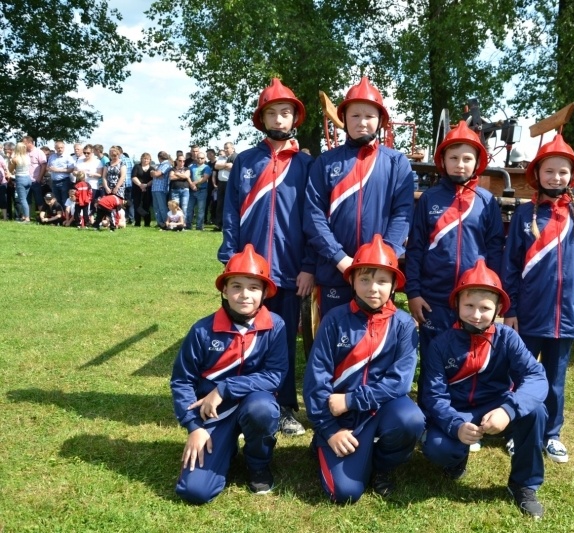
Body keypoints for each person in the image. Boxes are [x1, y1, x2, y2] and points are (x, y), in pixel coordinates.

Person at [219, 78, 315, 437]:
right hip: (248, 271)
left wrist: (309, 266)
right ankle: (242, 400)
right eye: (272, 113)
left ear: (295, 118)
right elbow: (231, 214)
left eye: (285, 113)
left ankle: (285, 406)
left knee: (283, 339)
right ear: (262, 118)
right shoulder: (245, 160)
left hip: (290, 270)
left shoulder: (306, 165)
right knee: (244, 336)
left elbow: (314, 220)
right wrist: (230, 258)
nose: (278, 119)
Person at [419, 259, 548, 519]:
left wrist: (508, 410)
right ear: (457, 304)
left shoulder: (507, 338)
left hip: (496, 408)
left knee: (536, 412)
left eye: (485, 308)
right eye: (469, 306)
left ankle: (524, 485)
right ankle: (457, 459)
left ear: (498, 309)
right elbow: (433, 396)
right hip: (458, 411)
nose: (476, 315)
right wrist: (456, 425)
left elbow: (536, 376)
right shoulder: (440, 344)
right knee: (437, 449)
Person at [502, 134, 574, 465]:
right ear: (537, 174)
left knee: (556, 380)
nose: (556, 177)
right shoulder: (523, 215)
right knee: (521, 376)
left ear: (572, 176)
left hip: (567, 315)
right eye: (549, 171)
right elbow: (510, 265)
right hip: (528, 314)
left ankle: (552, 434)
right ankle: (518, 430)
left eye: (562, 172)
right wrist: (511, 308)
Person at [303, 235, 424, 504]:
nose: (373, 288)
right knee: (345, 493)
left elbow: (400, 383)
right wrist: (329, 429)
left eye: (382, 281)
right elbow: (316, 379)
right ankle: (324, 442)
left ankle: (382, 468)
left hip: (378, 409)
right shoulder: (334, 319)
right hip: (339, 416)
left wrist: (351, 400)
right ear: (352, 281)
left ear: (394, 285)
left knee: (412, 420)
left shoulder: (404, 324)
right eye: (365, 279)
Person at [171, 244, 288, 504]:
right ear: (224, 289)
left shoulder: (276, 326)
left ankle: (258, 463)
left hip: (254, 403)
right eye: (236, 286)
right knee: (195, 492)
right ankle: (226, 445)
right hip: (213, 413)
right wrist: (194, 426)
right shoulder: (202, 330)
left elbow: (275, 376)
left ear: (265, 292)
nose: (245, 295)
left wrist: (225, 388)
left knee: (263, 410)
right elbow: (182, 380)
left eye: (254, 287)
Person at [304, 76, 415, 316]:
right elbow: (314, 215)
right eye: (355, 115)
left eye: (369, 116)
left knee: (377, 333)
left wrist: (383, 258)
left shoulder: (397, 163)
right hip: (334, 270)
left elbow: (403, 214)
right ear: (343, 118)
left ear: (381, 120)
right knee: (335, 332)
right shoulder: (325, 162)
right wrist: (339, 257)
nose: (362, 122)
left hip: (379, 274)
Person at [405, 121, 504, 367]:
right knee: (432, 361)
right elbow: (415, 248)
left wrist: (493, 295)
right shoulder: (429, 198)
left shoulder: (487, 201)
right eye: (454, 158)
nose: (460, 164)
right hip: (433, 299)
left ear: (477, 162)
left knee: (467, 360)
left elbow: (495, 250)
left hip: (474, 300)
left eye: (467, 158)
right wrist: (414, 293)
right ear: (443, 160)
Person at [213, 142, 236, 231]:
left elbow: (233, 168)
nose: (225, 150)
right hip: (221, 183)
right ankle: (218, 224)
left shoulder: (236, 157)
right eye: (224, 148)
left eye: (227, 148)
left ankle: (229, 224)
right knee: (220, 204)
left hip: (230, 183)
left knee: (229, 204)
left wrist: (221, 166)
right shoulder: (221, 157)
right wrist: (226, 165)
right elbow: (216, 166)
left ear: (232, 148)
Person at [186, 151, 211, 230]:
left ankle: (199, 226)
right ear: (196, 158)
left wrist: (193, 183)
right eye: (198, 158)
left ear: (204, 158)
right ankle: (188, 225)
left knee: (201, 209)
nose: (200, 159)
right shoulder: (191, 167)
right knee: (189, 208)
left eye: (202, 158)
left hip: (202, 190)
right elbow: (187, 176)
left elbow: (205, 178)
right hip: (192, 191)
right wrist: (191, 184)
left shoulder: (207, 167)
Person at [46, 140, 74, 208]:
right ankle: (59, 214)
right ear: (55, 148)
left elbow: (71, 169)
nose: (60, 149)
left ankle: (66, 214)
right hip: (54, 181)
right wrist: (49, 169)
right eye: (58, 148)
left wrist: (58, 170)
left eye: (61, 147)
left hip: (64, 181)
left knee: (65, 200)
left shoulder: (68, 157)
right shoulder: (52, 157)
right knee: (56, 200)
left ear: (64, 148)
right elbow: (47, 167)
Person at [9, 142, 32, 223]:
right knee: (26, 199)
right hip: (28, 178)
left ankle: (27, 218)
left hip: (20, 178)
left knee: (22, 199)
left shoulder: (15, 159)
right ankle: (25, 215)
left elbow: (10, 170)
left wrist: (10, 161)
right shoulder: (27, 157)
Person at [150, 151, 172, 229]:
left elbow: (156, 174)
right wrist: (154, 173)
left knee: (162, 207)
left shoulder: (166, 164)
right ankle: (160, 223)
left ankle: (166, 223)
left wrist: (154, 173)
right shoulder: (160, 165)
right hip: (155, 188)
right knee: (156, 207)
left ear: (159, 157)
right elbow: (154, 174)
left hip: (161, 188)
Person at [130, 153, 154, 227]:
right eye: (144, 158)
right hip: (137, 189)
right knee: (137, 206)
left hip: (148, 189)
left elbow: (153, 179)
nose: (145, 160)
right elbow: (133, 177)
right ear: (141, 159)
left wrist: (146, 185)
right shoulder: (137, 167)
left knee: (146, 206)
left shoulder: (152, 169)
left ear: (150, 160)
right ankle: (137, 223)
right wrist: (140, 185)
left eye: (147, 159)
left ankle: (147, 223)